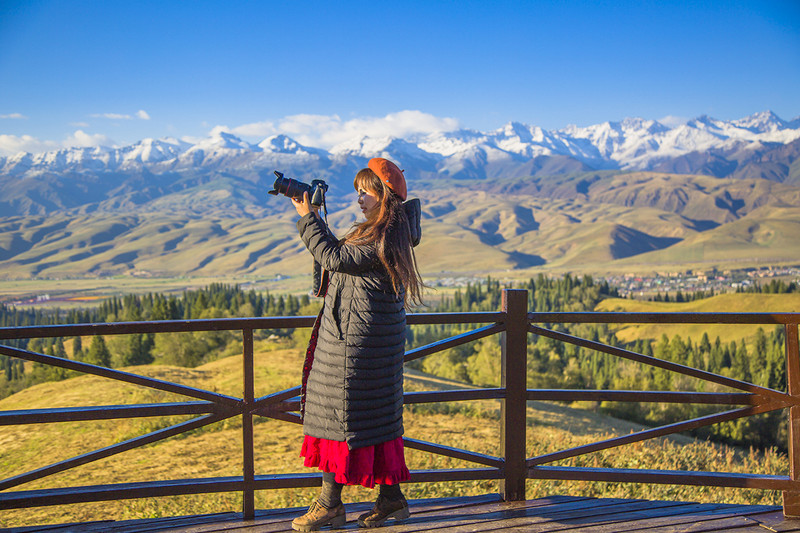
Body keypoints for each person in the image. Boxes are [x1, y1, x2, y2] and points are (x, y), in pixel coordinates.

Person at [289, 158, 423, 531]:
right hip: (368, 338)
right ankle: (392, 500)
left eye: (367, 191)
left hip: (357, 342)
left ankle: (329, 505)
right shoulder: (389, 233)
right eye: (359, 191)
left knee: (340, 415)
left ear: (385, 197)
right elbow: (339, 260)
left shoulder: (382, 235)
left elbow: (333, 257)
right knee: (372, 417)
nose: (360, 198)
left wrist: (307, 217)